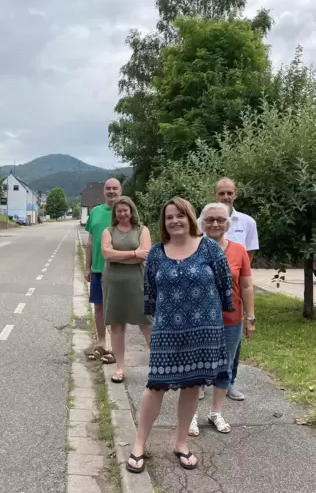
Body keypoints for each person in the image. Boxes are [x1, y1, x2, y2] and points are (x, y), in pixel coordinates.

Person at [126, 197, 234, 474]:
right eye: (169, 217)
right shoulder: (157, 254)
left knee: (191, 386)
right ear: (163, 222)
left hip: (204, 330)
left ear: (189, 218)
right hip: (167, 330)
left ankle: (181, 443)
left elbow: (225, 286)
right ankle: (139, 445)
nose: (174, 221)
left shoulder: (210, 249)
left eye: (180, 216)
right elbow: (150, 291)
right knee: (155, 386)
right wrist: (155, 316)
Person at [189, 202, 256, 436]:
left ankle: (215, 412)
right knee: (196, 367)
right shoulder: (192, 248)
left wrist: (251, 317)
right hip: (199, 320)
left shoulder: (238, 251)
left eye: (220, 220)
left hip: (231, 319)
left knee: (224, 367)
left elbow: (246, 286)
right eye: (210, 220)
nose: (215, 224)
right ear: (202, 223)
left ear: (227, 223)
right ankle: (191, 416)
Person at [211, 177, 259, 402]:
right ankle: (203, 383)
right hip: (209, 299)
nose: (226, 197)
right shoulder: (205, 222)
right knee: (206, 341)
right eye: (222, 193)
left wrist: (251, 315)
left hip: (235, 292)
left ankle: (229, 382)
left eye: (229, 193)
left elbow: (246, 261)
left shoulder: (247, 222)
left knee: (233, 345)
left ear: (235, 194)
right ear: (215, 195)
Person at [100, 196, 152, 383]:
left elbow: (144, 255)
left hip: (137, 280)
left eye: (125, 210)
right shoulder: (108, 231)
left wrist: (123, 256)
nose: (122, 214)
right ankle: (120, 368)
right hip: (113, 282)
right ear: (115, 213)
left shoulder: (142, 230)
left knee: (146, 323)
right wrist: (133, 253)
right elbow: (107, 254)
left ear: (132, 211)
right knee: (117, 325)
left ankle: (158, 366)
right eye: (119, 211)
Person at [84, 178, 122, 364]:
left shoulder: (124, 212)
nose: (111, 191)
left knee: (115, 309)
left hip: (117, 269)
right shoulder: (96, 212)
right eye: (108, 188)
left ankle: (116, 349)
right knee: (98, 307)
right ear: (103, 191)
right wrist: (87, 266)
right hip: (98, 268)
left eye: (115, 188)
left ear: (120, 191)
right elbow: (90, 242)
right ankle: (101, 342)